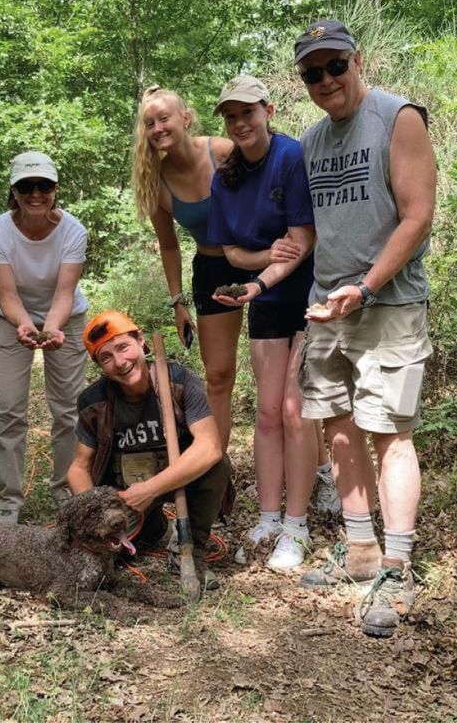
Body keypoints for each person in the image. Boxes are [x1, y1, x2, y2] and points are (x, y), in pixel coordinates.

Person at [293, 19, 436, 637]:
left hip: (387, 304)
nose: (326, 80)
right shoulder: (309, 141)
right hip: (328, 308)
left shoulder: (397, 117)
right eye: (312, 73)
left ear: (358, 61)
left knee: (391, 433)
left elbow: (418, 215)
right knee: (338, 427)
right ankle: (359, 552)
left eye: (334, 66)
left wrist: (367, 286)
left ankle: (397, 565)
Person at [209, 74, 325, 571]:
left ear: (268, 111)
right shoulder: (225, 176)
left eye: (248, 113)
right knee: (267, 412)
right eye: (231, 116)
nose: (240, 123)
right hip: (264, 296)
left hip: (309, 294)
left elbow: (303, 241)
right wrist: (257, 267)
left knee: (297, 411)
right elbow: (228, 249)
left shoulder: (292, 156)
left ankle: (297, 525)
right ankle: (269, 517)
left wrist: (257, 282)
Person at [66, 310, 234, 588]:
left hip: (177, 481)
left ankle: (191, 549)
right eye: (106, 357)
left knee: (217, 465)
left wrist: (152, 489)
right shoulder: (94, 402)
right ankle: (151, 528)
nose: (120, 362)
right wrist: (94, 514)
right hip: (125, 494)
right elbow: (78, 467)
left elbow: (210, 446)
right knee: (101, 558)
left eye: (123, 347)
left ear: (140, 341)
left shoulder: (178, 381)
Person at [131, 87, 241, 451]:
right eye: (150, 123)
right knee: (219, 374)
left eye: (165, 118)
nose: (158, 128)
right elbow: (169, 245)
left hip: (265, 259)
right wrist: (178, 301)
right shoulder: (156, 181)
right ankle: (216, 466)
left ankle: (318, 465)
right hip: (213, 267)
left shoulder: (224, 152)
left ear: (185, 118)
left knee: (287, 374)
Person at [0, 151, 89, 519]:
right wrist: (25, 325)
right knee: (9, 409)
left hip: (67, 318)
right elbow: (7, 295)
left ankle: (66, 489)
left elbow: (64, 293)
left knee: (70, 409)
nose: (36, 193)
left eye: (44, 185)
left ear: (55, 188)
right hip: (8, 317)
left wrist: (52, 327)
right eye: (26, 186)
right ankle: (8, 502)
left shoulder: (74, 232)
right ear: (14, 190)